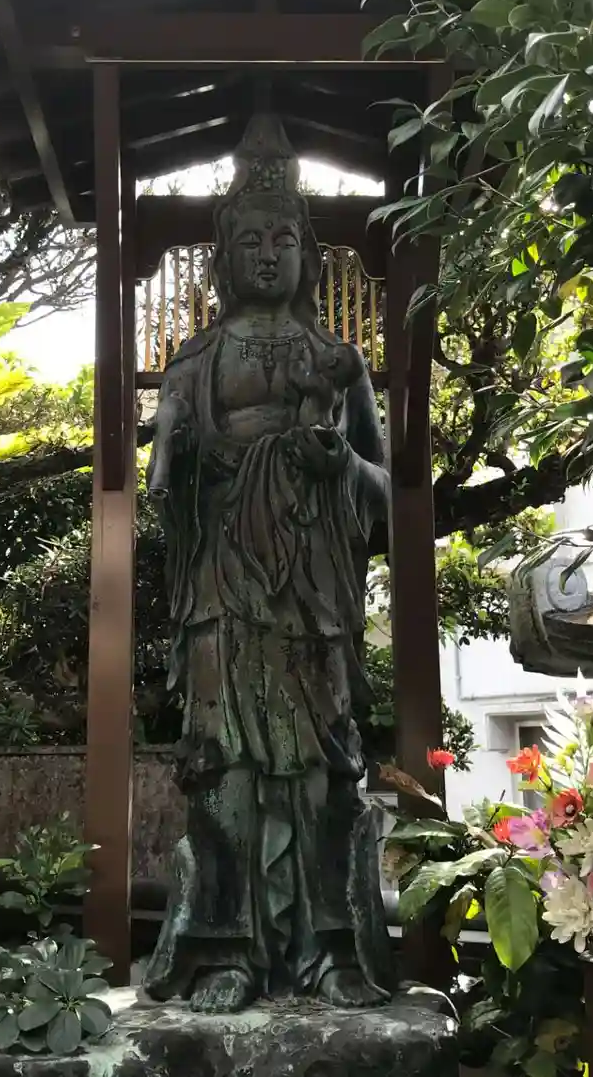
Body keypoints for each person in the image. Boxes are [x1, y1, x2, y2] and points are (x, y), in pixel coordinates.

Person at [142, 116, 394, 1014]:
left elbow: (389, 489)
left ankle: (332, 946)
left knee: (324, 766)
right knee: (225, 765)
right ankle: (224, 947)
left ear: (308, 255)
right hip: (224, 582)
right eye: (249, 240)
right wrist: (177, 459)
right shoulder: (196, 361)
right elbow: (162, 478)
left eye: (283, 238)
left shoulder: (338, 361)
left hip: (313, 584)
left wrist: (340, 465)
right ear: (222, 256)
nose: (266, 254)